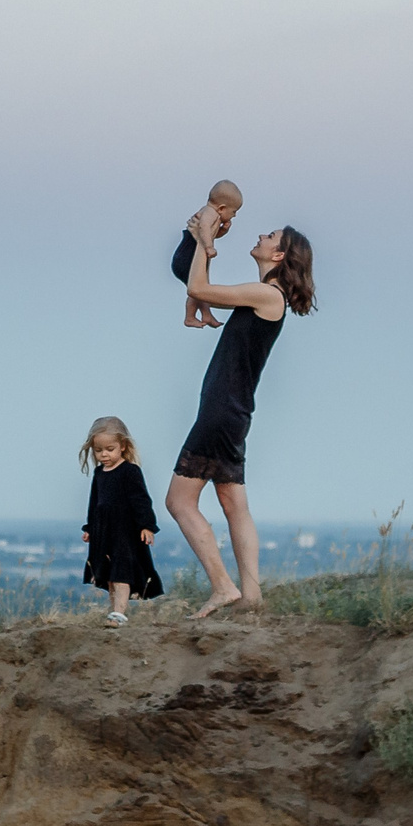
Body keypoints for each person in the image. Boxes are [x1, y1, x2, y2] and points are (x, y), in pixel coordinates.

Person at [167, 217, 317, 618]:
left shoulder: (268, 295)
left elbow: (199, 287)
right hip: (232, 413)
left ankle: (223, 587)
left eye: (269, 237)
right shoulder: (265, 295)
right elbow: (198, 286)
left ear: (279, 254)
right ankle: (251, 598)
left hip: (221, 413)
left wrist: (203, 239)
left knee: (179, 502)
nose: (261, 236)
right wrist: (200, 244)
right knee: (234, 504)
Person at [79, 416, 161, 625]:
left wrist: (147, 526)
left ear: (123, 446)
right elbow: (95, 503)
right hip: (104, 532)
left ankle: (120, 614)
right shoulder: (99, 473)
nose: (104, 454)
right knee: (108, 575)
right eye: (98, 450)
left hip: (125, 533)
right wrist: (90, 527)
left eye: (110, 449)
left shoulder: (130, 472)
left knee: (121, 572)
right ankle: (114, 610)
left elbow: (141, 500)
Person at [171, 180, 244, 328]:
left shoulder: (213, 215)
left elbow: (212, 234)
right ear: (222, 208)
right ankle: (190, 317)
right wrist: (209, 247)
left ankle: (206, 314)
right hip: (186, 257)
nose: (234, 216)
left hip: (188, 256)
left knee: (202, 289)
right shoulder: (209, 213)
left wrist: (223, 230)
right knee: (198, 290)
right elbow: (204, 229)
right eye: (234, 212)